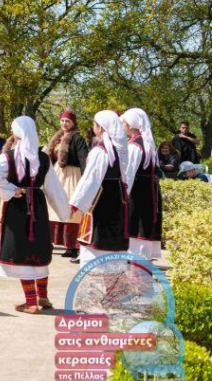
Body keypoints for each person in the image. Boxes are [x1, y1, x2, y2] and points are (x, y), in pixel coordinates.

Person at [0, 117, 71, 314]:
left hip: (17, 207)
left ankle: (31, 302)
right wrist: (64, 211)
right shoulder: (43, 158)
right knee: (38, 249)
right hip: (38, 207)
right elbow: (53, 188)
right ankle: (43, 297)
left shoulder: (9, 157)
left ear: (17, 133)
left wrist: (11, 189)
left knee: (22, 251)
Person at [69, 111, 130, 266]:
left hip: (100, 197)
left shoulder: (100, 150)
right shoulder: (119, 148)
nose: (93, 127)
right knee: (112, 237)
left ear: (100, 128)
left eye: (94, 124)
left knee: (96, 237)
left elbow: (90, 179)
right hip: (116, 195)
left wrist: (75, 204)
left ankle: (93, 274)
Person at [45, 110, 90, 258]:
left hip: (72, 175)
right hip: (57, 174)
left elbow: (84, 159)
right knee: (53, 207)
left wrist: (86, 179)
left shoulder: (78, 138)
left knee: (71, 209)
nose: (64, 123)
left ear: (73, 123)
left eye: (67, 121)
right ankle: (49, 242)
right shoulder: (57, 138)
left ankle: (71, 247)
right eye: (62, 121)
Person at [121, 108, 163, 261]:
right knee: (144, 223)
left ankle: (135, 261)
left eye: (123, 123)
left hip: (137, 191)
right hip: (149, 190)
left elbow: (129, 174)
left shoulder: (134, 145)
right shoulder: (147, 143)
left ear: (130, 125)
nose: (122, 126)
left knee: (136, 223)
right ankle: (142, 259)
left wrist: (122, 196)